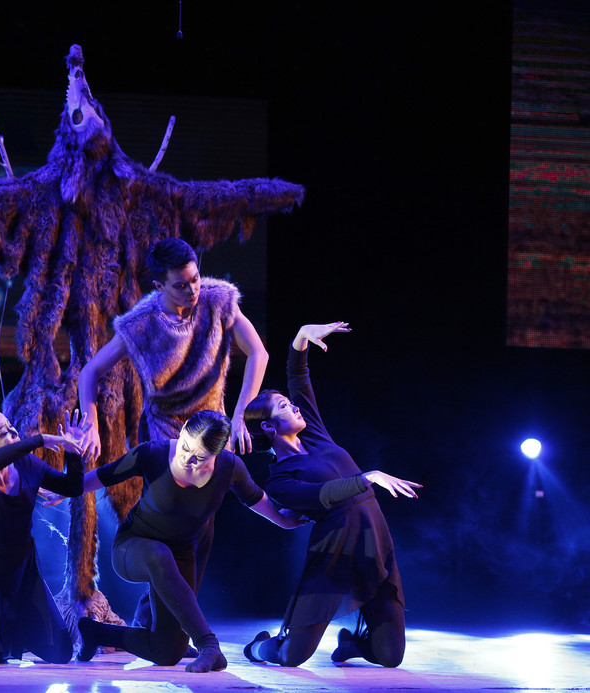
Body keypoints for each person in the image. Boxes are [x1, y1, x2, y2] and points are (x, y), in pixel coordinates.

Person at [77, 237, 270, 630]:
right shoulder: (140, 324)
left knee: (201, 529)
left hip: (211, 429)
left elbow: (259, 353)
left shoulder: (218, 301)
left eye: (195, 278)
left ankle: (162, 621)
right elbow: (90, 372)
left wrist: (240, 415)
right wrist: (90, 421)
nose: (193, 289)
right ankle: (166, 624)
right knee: (175, 525)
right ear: (159, 286)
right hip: (168, 435)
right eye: (181, 284)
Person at [242, 321, 421, 668]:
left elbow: (299, 379)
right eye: (284, 407)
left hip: (373, 542)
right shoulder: (279, 480)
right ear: (267, 426)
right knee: (292, 657)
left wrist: (300, 339)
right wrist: (367, 478)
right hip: (333, 553)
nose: (295, 408)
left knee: (391, 657)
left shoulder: (315, 434)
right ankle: (259, 647)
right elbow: (324, 495)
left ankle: (352, 644)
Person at [74, 410, 304, 673]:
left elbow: (254, 497)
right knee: (159, 553)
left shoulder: (229, 468)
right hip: (132, 548)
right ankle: (209, 645)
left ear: (217, 455)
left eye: (201, 458)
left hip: (179, 556)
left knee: (166, 651)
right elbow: (105, 475)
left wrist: (284, 520)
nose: (188, 459)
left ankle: (95, 632)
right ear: (183, 430)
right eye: (186, 448)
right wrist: (65, 490)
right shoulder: (154, 453)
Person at [0, 408, 90, 665]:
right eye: (3, 432)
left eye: (11, 426)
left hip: (21, 572)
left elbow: (72, 486)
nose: (14, 432)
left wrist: (72, 452)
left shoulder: (28, 465)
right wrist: (41, 440)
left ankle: (15, 631)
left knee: (61, 653)